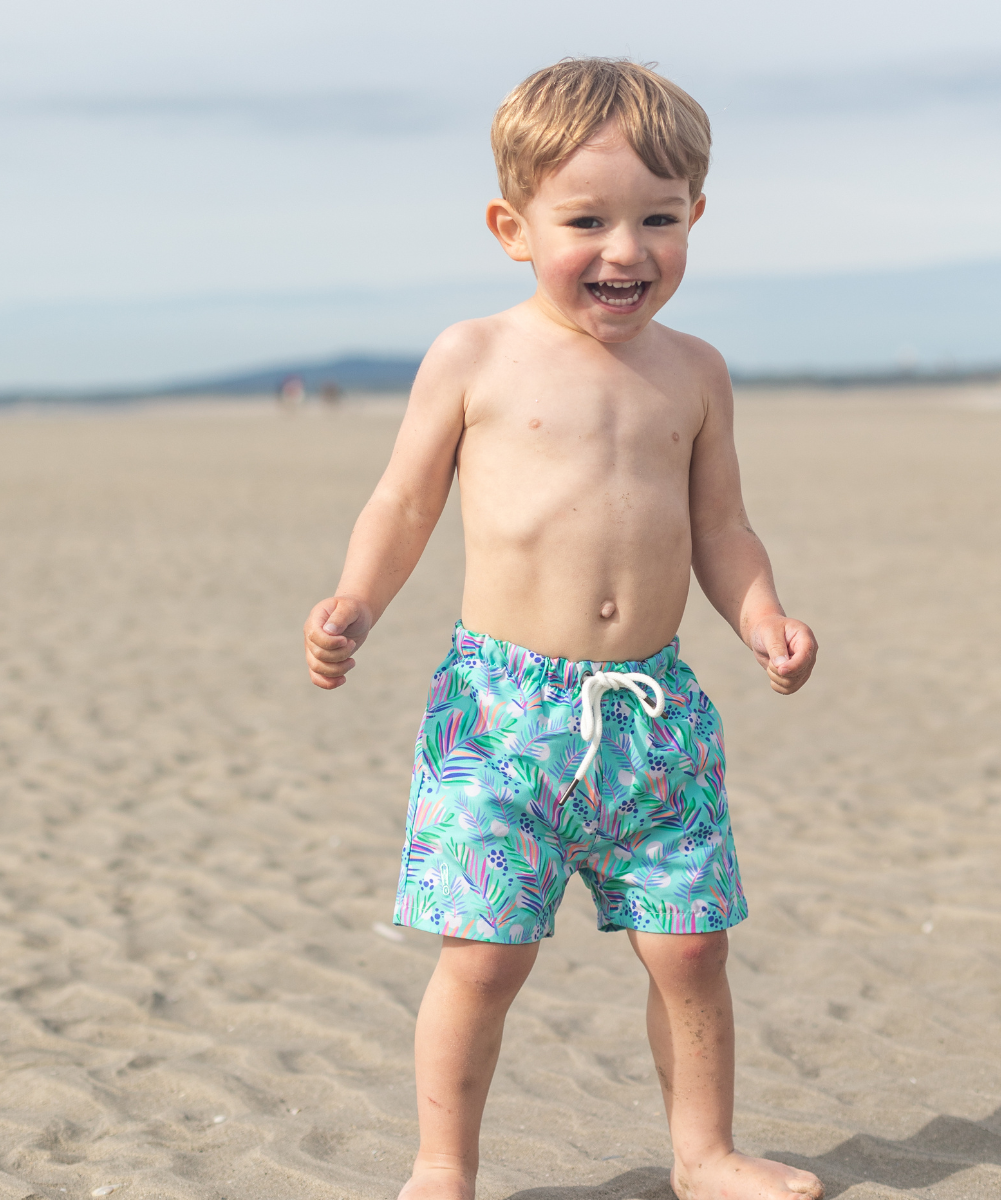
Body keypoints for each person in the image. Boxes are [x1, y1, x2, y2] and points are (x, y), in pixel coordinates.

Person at [303, 58, 822, 1200]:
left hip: (655, 710)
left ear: (696, 219)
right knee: (484, 958)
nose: (626, 250)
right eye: (586, 220)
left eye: (658, 219)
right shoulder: (474, 355)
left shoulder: (696, 373)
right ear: (512, 226)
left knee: (691, 949)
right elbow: (403, 501)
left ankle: (704, 1152)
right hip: (502, 714)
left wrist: (764, 616)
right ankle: (442, 1167)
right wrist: (355, 603)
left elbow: (722, 526)